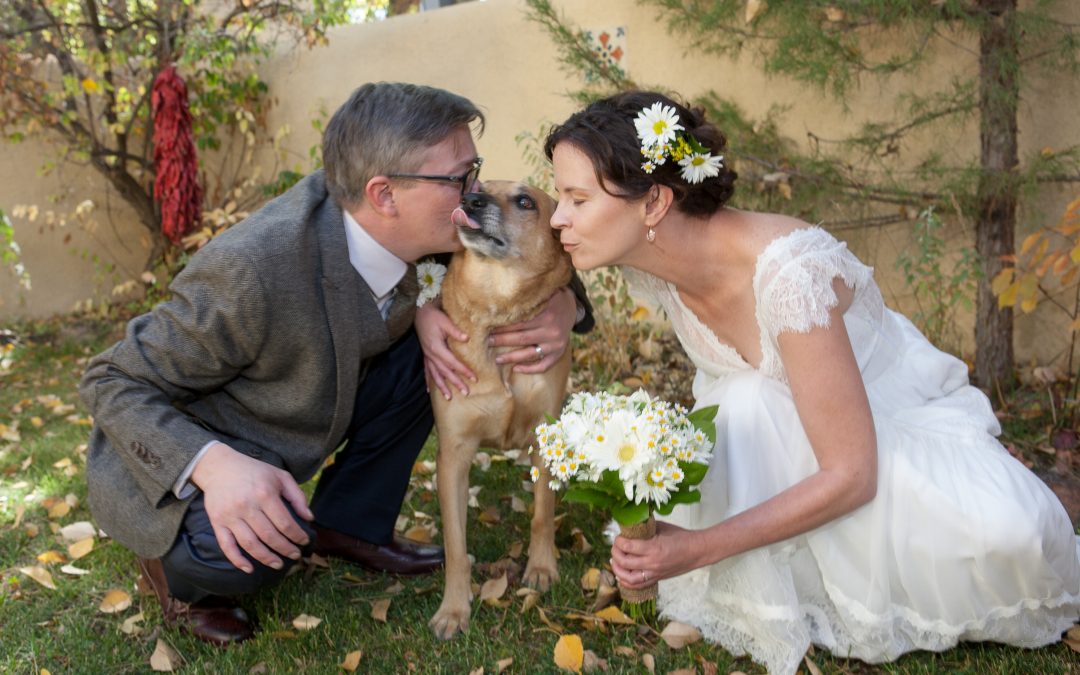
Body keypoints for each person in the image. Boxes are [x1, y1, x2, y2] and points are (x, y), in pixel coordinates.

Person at [543, 90, 1080, 674]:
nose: (557, 217)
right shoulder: (660, 264)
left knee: (1014, 542)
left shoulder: (788, 274)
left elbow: (854, 474)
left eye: (577, 198)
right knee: (747, 399)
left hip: (881, 433)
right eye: (559, 197)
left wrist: (699, 546)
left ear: (655, 203)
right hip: (788, 437)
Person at [79, 82, 592, 646]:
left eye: (475, 172)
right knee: (256, 552)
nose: (474, 194)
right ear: (385, 195)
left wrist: (566, 305)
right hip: (204, 448)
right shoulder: (252, 272)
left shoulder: (423, 218)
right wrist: (212, 465)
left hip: (311, 403)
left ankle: (349, 523)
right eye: (459, 180)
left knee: (434, 359)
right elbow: (111, 377)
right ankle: (173, 570)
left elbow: (531, 249)